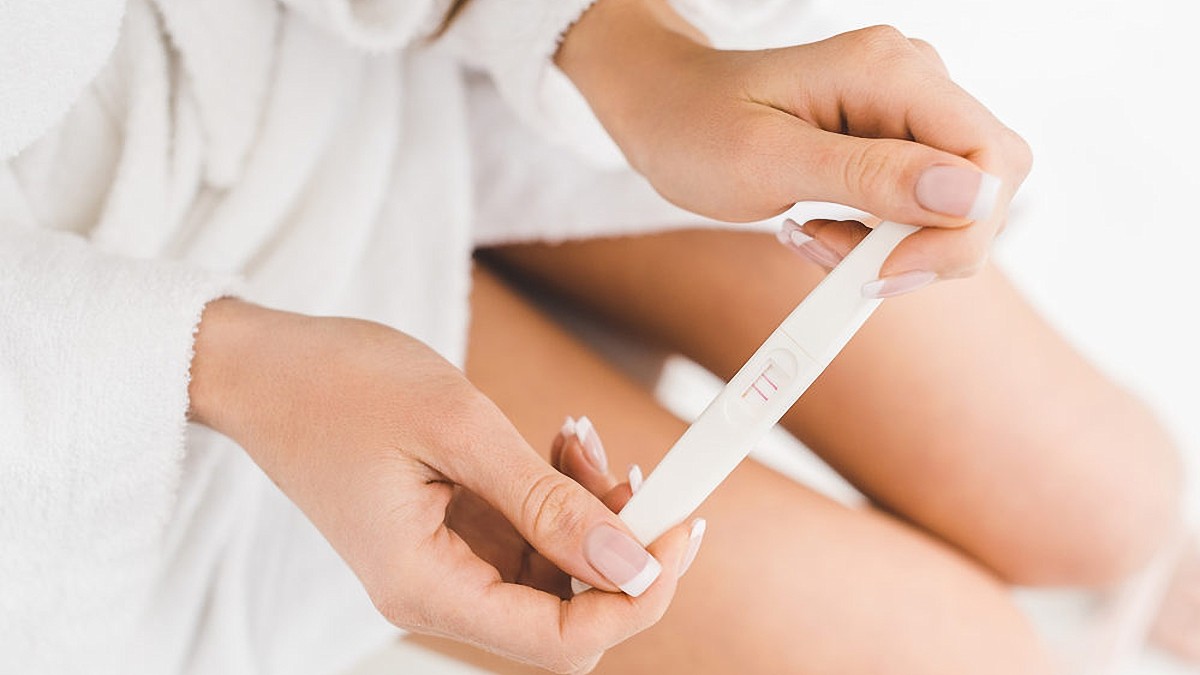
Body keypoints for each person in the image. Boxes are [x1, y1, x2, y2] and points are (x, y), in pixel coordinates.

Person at [0, 0, 1186, 674]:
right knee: (958, 663)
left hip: (349, 46)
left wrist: (628, 49)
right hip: (104, 365)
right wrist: (228, 366)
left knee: (1105, 488)